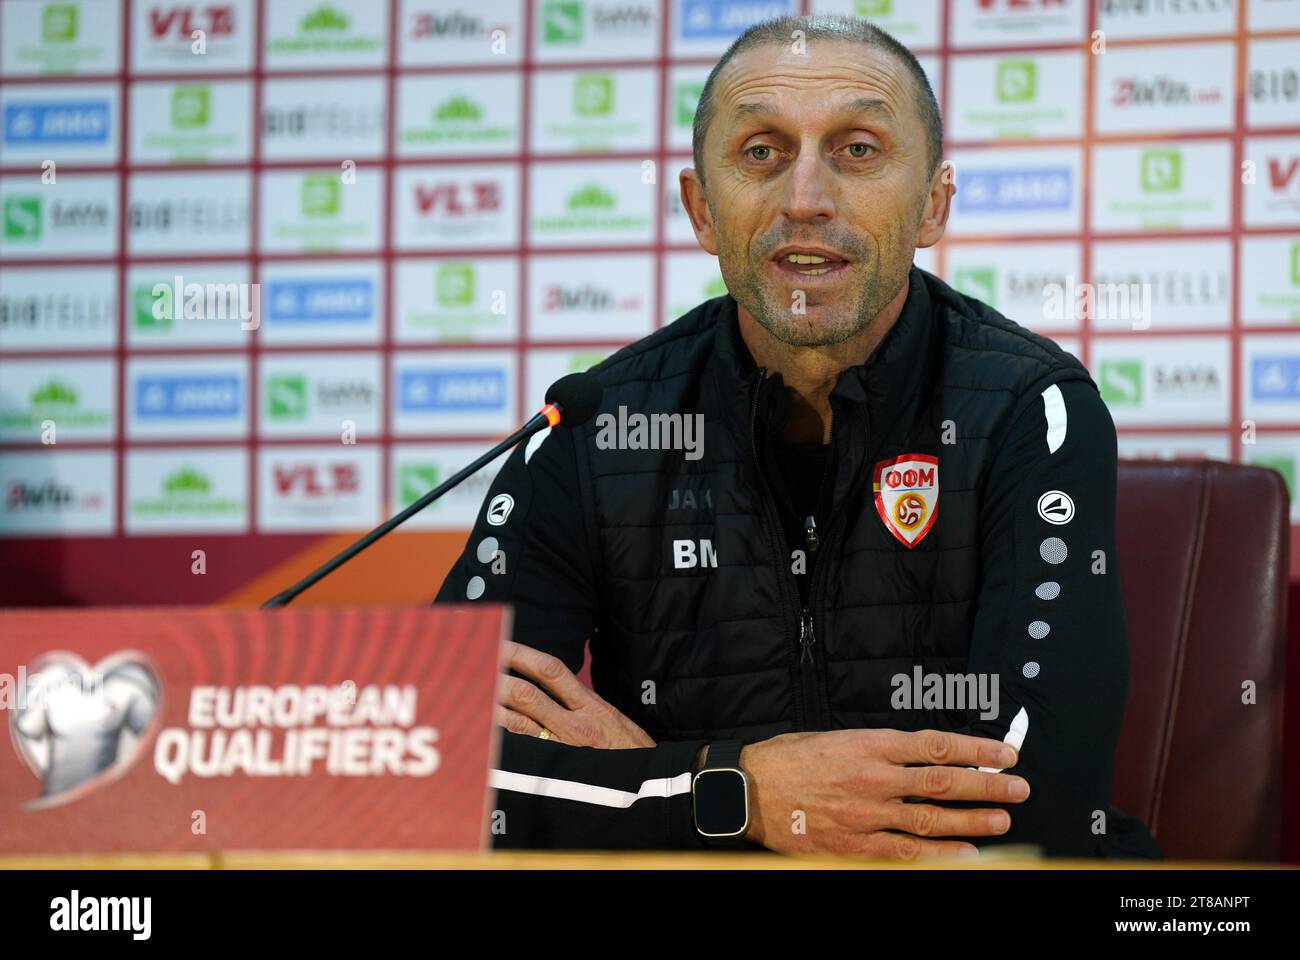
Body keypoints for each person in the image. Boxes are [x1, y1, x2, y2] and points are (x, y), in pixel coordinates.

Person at [436, 14, 1157, 859]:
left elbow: (1031, 804)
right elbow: (441, 760)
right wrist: (734, 789)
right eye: (761, 152)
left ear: (932, 205)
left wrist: (667, 788)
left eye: (857, 149)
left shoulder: (1033, 411)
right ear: (703, 211)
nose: (805, 198)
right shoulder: (593, 425)